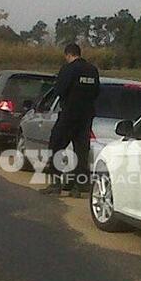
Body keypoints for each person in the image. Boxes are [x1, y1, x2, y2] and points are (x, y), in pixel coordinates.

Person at [40, 43, 100, 198]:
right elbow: (96, 92)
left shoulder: (68, 69)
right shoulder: (92, 70)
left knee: (56, 145)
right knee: (81, 151)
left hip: (69, 114)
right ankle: (78, 186)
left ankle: (56, 183)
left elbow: (59, 90)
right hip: (86, 116)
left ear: (68, 55)